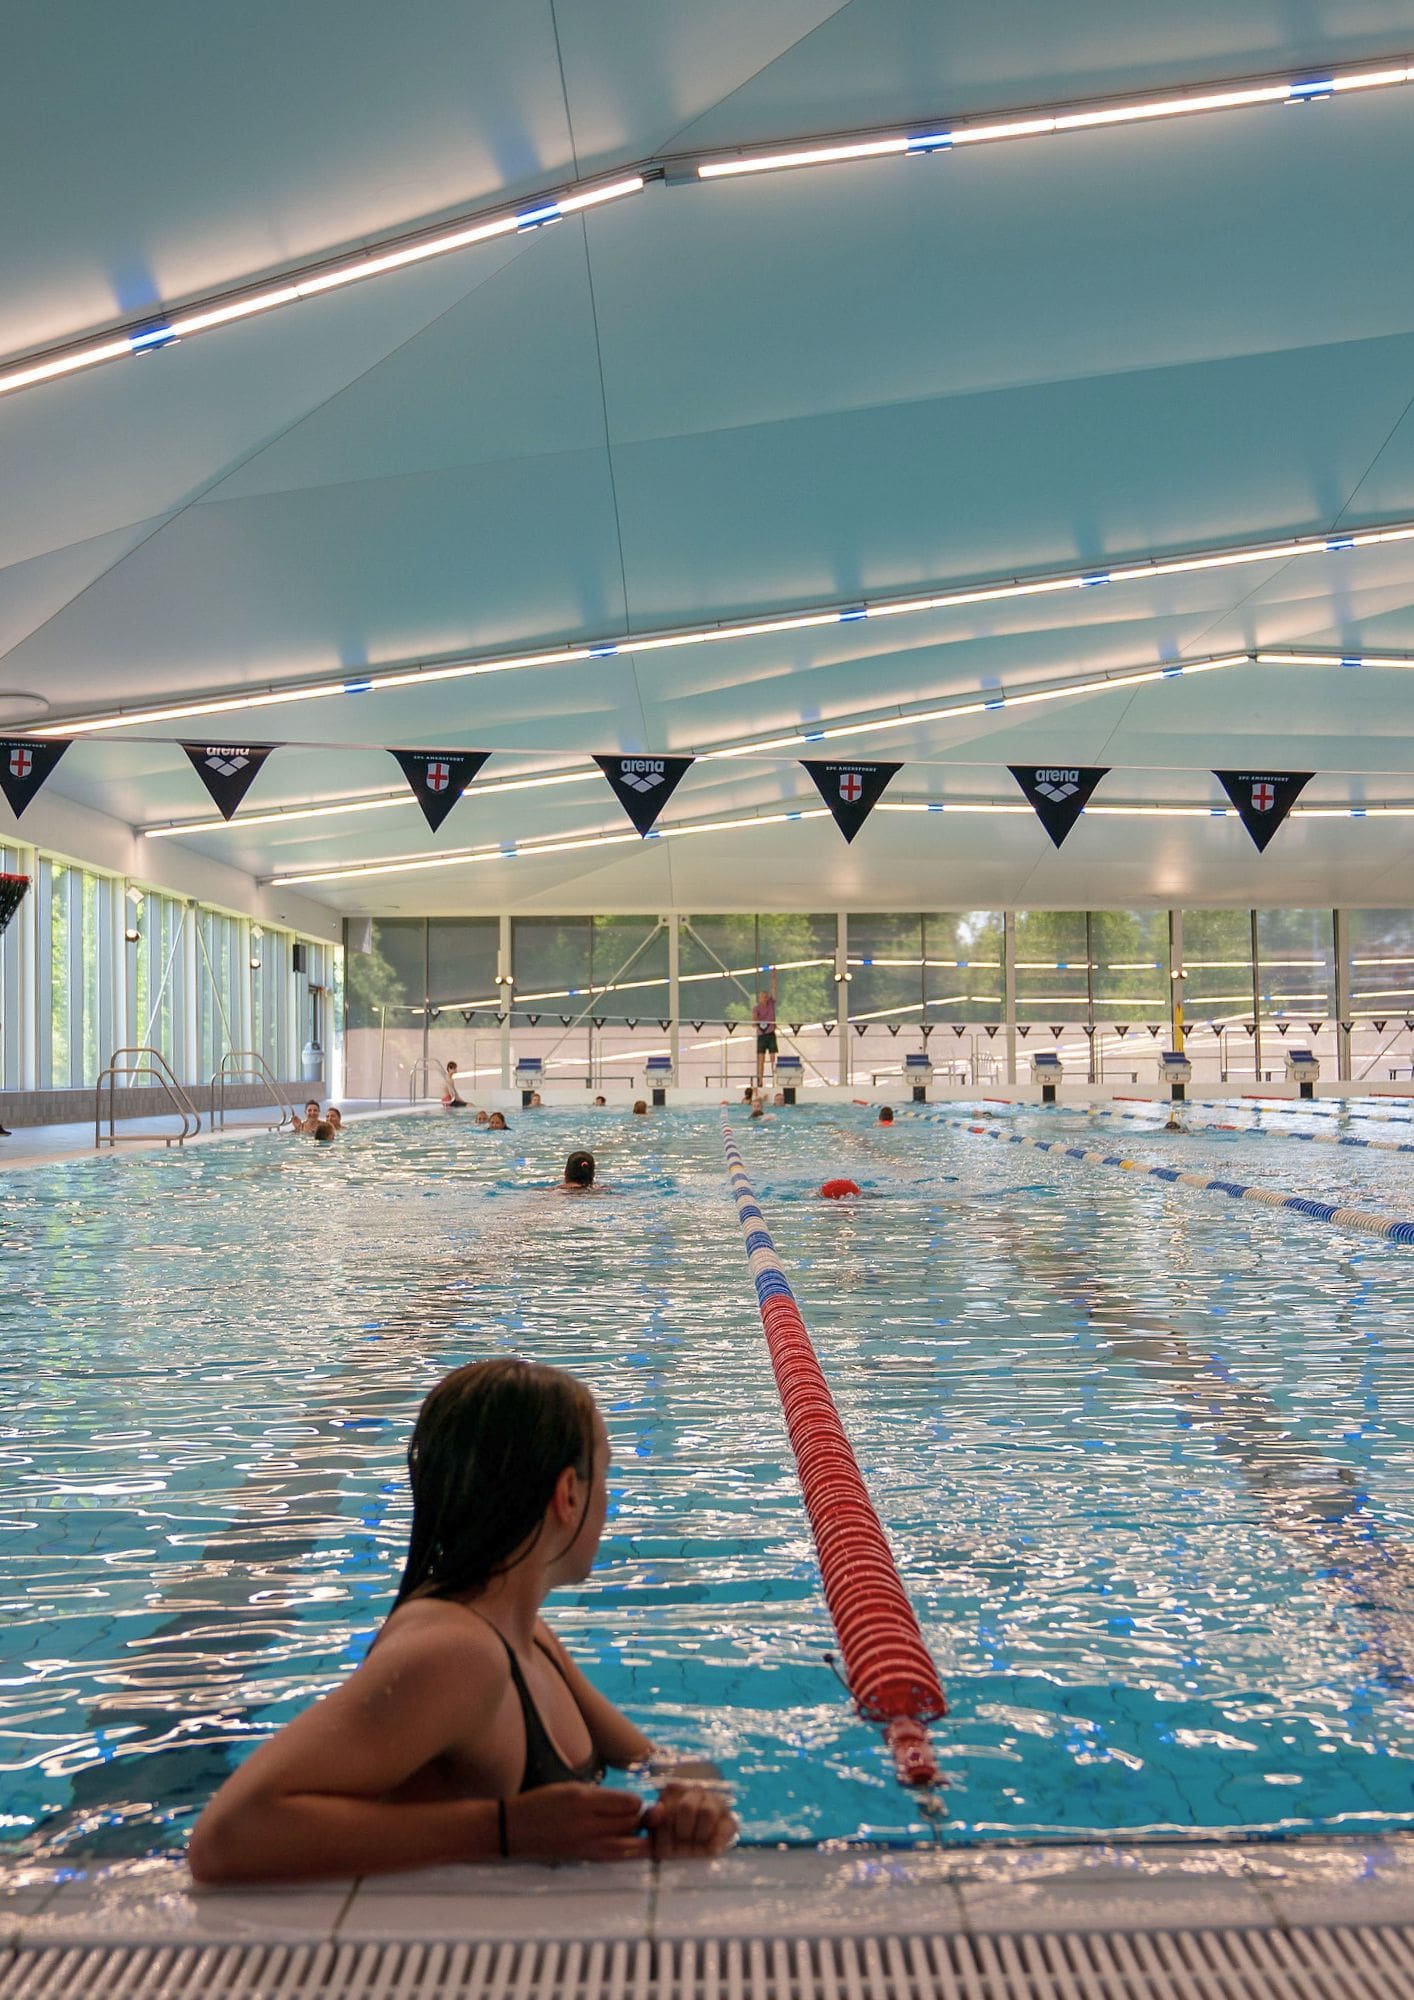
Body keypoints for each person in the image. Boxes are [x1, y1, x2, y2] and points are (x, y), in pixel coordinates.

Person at [187, 1360, 735, 1882]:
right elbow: (226, 1837)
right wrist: (504, 1831)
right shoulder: (456, 1654)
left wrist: (693, 1800)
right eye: (606, 1475)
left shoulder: (527, 1639)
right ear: (568, 1494)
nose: (608, 1500)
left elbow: (659, 1763)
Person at [752, 987, 777, 1092]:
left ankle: (774, 1079)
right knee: (761, 1059)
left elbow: (774, 989)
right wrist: (757, 1019)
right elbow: (753, 1023)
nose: (765, 999)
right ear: (759, 998)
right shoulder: (756, 1009)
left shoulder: (771, 1004)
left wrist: (774, 975)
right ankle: (760, 1080)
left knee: (772, 1058)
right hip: (762, 1035)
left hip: (771, 1034)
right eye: (762, 997)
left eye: (766, 997)